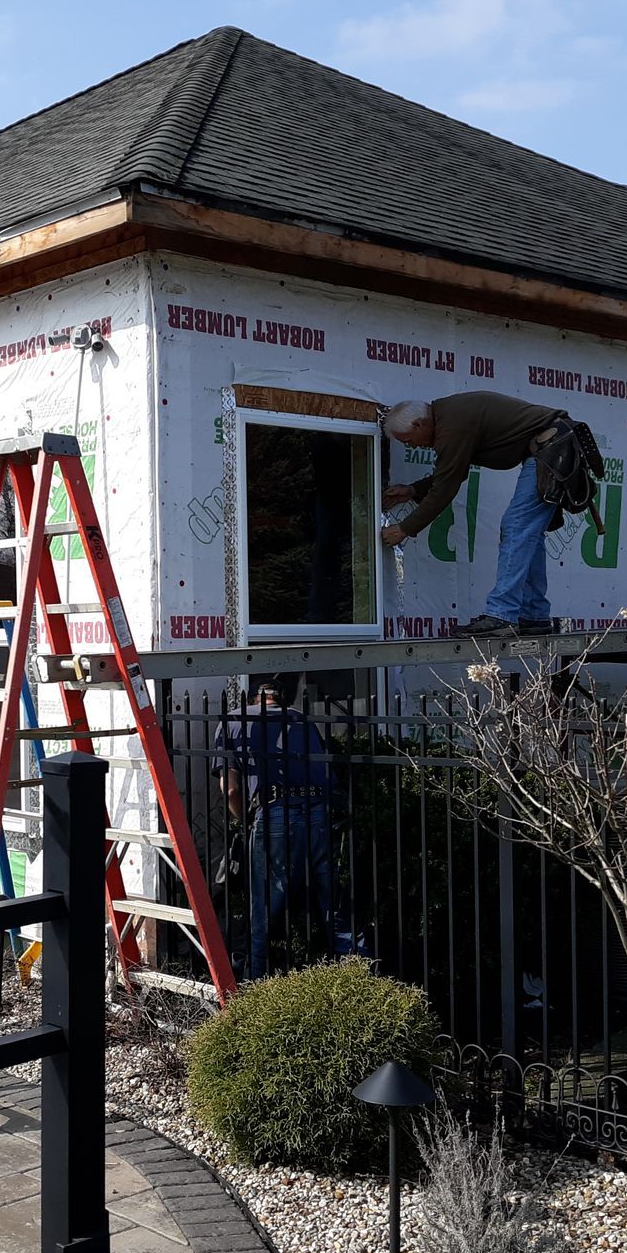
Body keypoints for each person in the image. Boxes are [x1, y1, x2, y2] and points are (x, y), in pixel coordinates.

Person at [379, 394, 572, 638]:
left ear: (419, 424)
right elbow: (451, 474)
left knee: (516, 527)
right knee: (526, 532)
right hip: (553, 446)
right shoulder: (448, 418)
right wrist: (414, 490)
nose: (412, 446)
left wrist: (405, 528)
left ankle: (502, 615)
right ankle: (534, 616)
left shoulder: (452, 426)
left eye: (408, 440)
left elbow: (446, 488)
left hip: (553, 448)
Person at [212, 681, 355, 980]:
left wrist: (243, 821)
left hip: (274, 812)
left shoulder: (234, 722)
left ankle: (254, 988)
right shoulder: (301, 719)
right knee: (335, 906)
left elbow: (231, 790)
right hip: (318, 811)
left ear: (253, 698)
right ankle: (360, 978)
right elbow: (328, 775)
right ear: (282, 698)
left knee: (262, 911)